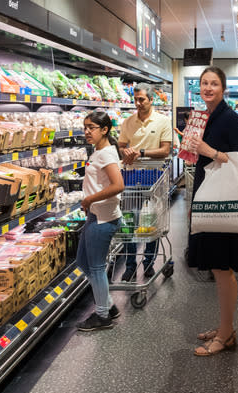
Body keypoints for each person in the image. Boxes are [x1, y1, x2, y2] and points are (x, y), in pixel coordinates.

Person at [188, 66, 238, 356]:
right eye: (204, 83)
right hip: (208, 196)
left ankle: (226, 334)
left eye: (214, 83)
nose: (208, 88)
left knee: (223, 269)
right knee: (217, 268)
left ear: (223, 88)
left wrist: (207, 150)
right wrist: (190, 149)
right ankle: (224, 326)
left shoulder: (231, 120)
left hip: (222, 202)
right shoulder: (203, 117)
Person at [117, 83, 173, 282]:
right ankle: (130, 264)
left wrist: (139, 152)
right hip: (131, 175)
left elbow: (165, 150)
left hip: (154, 175)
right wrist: (126, 151)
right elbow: (121, 145)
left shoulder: (163, 121)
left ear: (151, 100)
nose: (138, 103)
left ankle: (149, 262)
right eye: (136, 100)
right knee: (129, 221)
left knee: (152, 221)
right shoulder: (128, 122)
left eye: (142, 99)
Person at [76, 111, 125, 331]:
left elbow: (118, 185)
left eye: (91, 127)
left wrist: (89, 198)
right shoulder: (100, 151)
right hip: (95, 215)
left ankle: (102, 315)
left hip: (103, 218)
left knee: (95, 267)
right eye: (85, 127)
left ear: (104, 130)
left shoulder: (105, 154)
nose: (86, 131)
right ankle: (109, 304)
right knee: (83, 262)